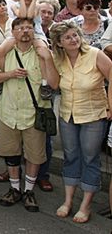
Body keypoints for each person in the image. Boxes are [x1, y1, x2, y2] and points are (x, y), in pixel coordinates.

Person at [0, 18, 57, 213]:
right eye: (20, 28)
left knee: (34, 155)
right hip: (8, 111)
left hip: (34, 113)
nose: (25, 31)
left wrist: (49, 59)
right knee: (11, 152)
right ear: (13, 32)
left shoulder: (43, 53)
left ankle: (29, 191)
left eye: (29, 27)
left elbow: (54, 84)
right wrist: (9, 74)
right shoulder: (6, 53)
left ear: (34, 31)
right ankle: (14, 188)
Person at [49, 21, 112, 224]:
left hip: (93, 115)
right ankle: (68, 201)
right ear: (59, 43)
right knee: (71, 156)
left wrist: (111, 105)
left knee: (90, 158)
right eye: (68, 37)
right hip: (68, 115)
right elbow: (54, 84)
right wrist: (45, 59)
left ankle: (85, 205)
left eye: (75, 35)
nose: (74, 39)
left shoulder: (95, 54)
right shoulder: (59, 59)